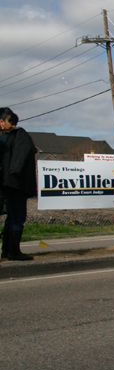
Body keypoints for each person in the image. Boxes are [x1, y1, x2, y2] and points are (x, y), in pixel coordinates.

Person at [0, 109, 37, 261]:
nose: (13, 125)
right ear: (1, 121)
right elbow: (21, 157)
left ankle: (7, 250)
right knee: (18, 216)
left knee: (12, 216)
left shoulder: (8, 137)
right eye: (11, 122)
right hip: (15, 184)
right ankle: (13, 252)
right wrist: (15, 172)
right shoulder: (19, 135)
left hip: (6, 183)